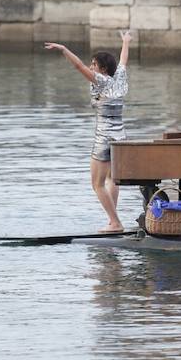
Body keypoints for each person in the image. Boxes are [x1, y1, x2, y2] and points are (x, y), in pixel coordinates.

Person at [44, 31, 132, 233]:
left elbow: (78, 66)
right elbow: (123, 60)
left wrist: (64, 49)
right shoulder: (119, 79)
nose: (91, 67)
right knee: (111, 179)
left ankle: (116, 223)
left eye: (94, 64)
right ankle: (113, 219)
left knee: (97, 183)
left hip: (104, 138)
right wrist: (125, 41)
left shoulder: (100, 80)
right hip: (120, 137)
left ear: (102, 69)